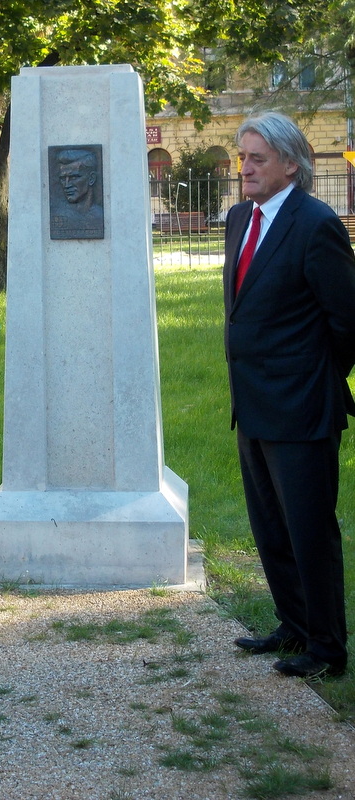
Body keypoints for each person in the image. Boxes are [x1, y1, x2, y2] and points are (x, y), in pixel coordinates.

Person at [223, 111, 355, 679]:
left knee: (309, 532)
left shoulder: (316, 223)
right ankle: (294, 624)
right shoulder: (239, 217)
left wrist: (313, 379)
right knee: (272, 528)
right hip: (251, 404)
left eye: (257, 159)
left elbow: (346, 321)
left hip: (302, 409)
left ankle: (327, 648)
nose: (245, 168)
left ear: (290, 165)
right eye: (242, 157)